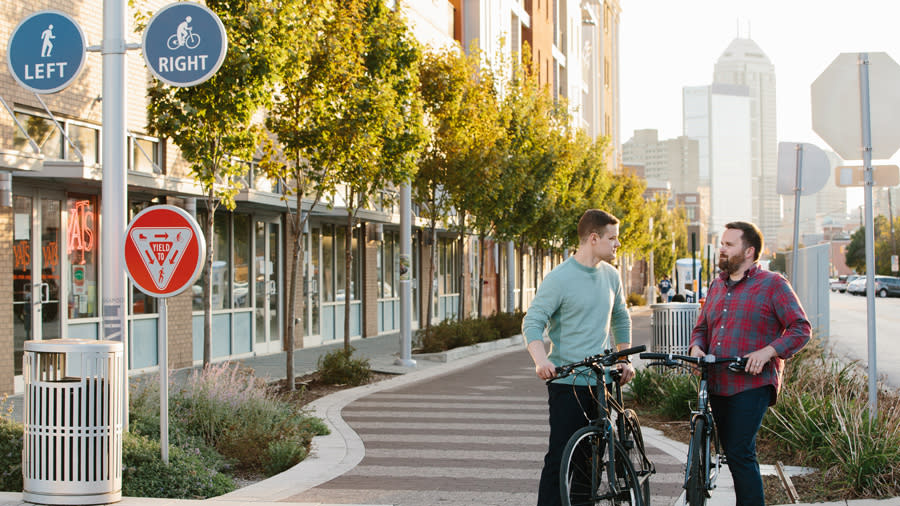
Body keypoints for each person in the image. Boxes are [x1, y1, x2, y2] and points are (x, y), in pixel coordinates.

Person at [689, 221, 810, 506]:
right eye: (722, 243)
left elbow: (801, 328)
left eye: (729, 244)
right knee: (732, 452)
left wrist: (768, 352)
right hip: (717, 381)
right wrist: (696, 347)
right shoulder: (717, 285)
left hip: (753, 383)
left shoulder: (773, 284)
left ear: (749, 251)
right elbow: (702, 328)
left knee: (740, 452)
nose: (722, 248)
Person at [522, 209, 634, 506]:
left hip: (602, 382)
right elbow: (532, 322)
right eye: (613, 238)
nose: (617, 244)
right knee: (560, 457)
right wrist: (540, 360)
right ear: (593, 238)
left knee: (591, 462)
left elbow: (621, 318)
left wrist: (624, 359)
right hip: (567, 382)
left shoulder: (611, 276)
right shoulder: (560, 278)